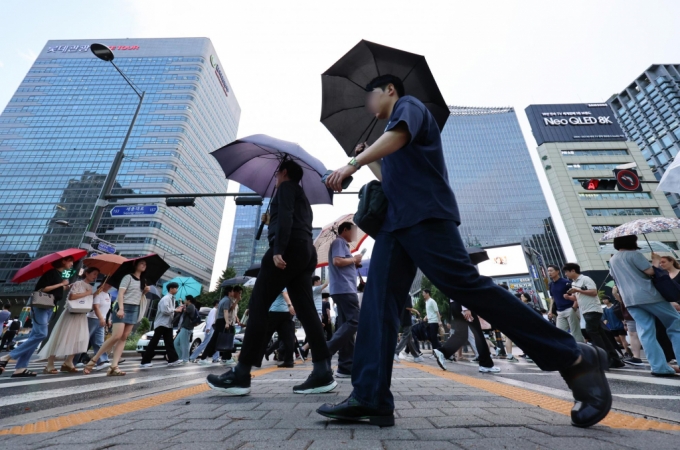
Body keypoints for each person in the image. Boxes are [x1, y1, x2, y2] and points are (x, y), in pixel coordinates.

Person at [320, 74, 610, 428]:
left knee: (464, 286)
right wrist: (364, 157)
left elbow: (397, 138)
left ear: (390, 90)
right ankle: (369, 396)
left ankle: (574, 356)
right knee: (377, 306)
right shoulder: (390, 137)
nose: (368, 105)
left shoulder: (409, 107)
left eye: (370, 96)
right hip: (395, 226)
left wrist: (354, 162)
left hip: (426, 215)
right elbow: (390, 174)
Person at [206, 160, 334, 395]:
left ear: (283, 172)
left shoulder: (285, 189)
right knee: (305, 309)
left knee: (258, 305)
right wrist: (270, 222)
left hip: (287, 251)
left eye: (277, 173)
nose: (275, 178)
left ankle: (241, 374)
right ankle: (323, 371)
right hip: (306, 252)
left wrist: (277, 249)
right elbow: (288, 218)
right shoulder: (302, 196)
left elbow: (285, 217)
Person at [610, 236, 680, 376]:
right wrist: (655, 261)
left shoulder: (613, 260)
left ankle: (659, 367)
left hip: (629, 299)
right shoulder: (634, 254)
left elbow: (614, 277)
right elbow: (650, 272)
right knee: (675, 323)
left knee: (646, 332)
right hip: (648, 295)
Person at [1, 256, 73, 377]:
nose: (71, 264)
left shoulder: (59, 275)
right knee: (41, 334)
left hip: (49, 307)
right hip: (41, 307)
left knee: (35, 337)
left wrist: (65, 286)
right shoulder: (50, 273)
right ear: (63, 261)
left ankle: (21, 368)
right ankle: (7, 356)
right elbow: (42, 289)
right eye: (70, 261)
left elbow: (56, 291)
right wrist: (61, 284)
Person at [85, 259, 150, 376]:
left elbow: (137, 296)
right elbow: (121, 294)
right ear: (135, 265)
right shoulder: (128, 277)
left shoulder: (143, 281)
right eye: (142, 263)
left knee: (123, 337)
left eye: (145, 264)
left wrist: (144, 292)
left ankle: (114, 366)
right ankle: (94, 360)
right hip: (123, 307)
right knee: (116, 336)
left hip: (134, 309)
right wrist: (121, 308)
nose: (144, 265)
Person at [562, 263, 624, 369]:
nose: (566, 274)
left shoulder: (585, 279)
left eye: (566, 272)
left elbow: (594, 292)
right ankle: (614, 359)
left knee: (593, 332)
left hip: (593, 310)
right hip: (586, 311)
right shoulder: (574, 283)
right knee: (601, 334)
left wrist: (577, 290)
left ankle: (605, 358)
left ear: (573, 271)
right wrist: (569, 297)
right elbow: (578, 298)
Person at [39, 267, 100, 374]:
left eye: (97, 275)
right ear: (87, 273)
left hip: (81, 314)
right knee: (61, 337)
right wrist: (87, 293)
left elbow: (86, 300)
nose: (95, 276)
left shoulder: (90, 287)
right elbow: (71, 297)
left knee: (79, 339)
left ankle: (69, 362)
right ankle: (50, 364)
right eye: (94, 274)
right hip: (71, 314)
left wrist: (94, 294)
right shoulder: (78, 283)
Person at [326, 221, 362, 378]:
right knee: (354, 322)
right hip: (345, 290)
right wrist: (353, 260)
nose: (354, 234)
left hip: (342, 289)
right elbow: (338, 261)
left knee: (346, 326)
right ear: (345, 230)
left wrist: (355, 264)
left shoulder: (342, 245)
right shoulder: (339, 242)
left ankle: (345, 366)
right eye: (353, 230)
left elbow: (343, 263)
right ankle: (327, 349)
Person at [436, 299, 499, 373]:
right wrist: (466, 308)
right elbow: (463, 288)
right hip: (463, 305)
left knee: (461, 334)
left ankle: (442, 352)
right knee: (478, 333)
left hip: (455, 304)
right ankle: (486, 364)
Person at [138, 282, 183, 369]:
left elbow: (170, 311)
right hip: (162, 323)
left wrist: (177, 309)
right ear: (171, 289)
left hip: (168, 324)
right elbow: (165, 311)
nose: (177, 290)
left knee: (169, 342)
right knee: (154, 342)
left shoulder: (172, 299)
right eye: (176, 288)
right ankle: (145, 361)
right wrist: (176, 310)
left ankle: (173, 360)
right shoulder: (166, 298)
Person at [548, 265, 584, 343]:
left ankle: (582, 350)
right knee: (560, 333)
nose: (549, 273)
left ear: (557, 271)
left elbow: (576, 294)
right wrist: (550, 311)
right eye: (548, 271)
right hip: (559, 312)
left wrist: (574, 307)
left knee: (575, 332)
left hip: (570, 309)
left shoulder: (566, 282)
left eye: (551, 270)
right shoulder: (551, 284)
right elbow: (552, 298)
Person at [198, 286, 234, 365]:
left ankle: (225, 357)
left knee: (217, 340)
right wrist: (227, 322)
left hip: (219, 321)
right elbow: (225, 311)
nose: (233, 293)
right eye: (232, 291)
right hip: (222, 321)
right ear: (229, 292)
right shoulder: (227, 300)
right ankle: (204, 358)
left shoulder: (223, 300)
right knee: (216, 340)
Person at [263, 289, 297, 368]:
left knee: (266, 335)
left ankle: (256, 359)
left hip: (276, 312)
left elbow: (285, 293)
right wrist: (290, 305)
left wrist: (289, 305)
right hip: (286, 312)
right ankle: (289, 361)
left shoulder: (279, 280)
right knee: (288, 338)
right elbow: (286, 293)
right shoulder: (288, 282)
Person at [85, 282, 113, 371]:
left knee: (99, 342)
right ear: (102, 284)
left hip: (102, 320)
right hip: (92, 319)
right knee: (84, 341)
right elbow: (96, 307)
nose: (110, 285)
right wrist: (101, 318)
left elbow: (106, 310)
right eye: (108, 283)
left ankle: (102, 361)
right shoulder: (98, 293)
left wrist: (107, 319)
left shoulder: (108, 295)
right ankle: (73, 361)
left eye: (110, 284)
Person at [615, 287, 643, 366]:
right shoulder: (621, 288)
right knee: (633, 334)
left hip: (640, 308)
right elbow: (621, 300)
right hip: (629, 313)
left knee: (646, 333)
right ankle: (636, 357)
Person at [394, 295, 423, 363]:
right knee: (406, 336)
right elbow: (408, 307)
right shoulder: (408, 296)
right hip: (406, 319)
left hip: (402, 318)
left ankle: (416, 356)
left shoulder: (401, 295)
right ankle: (396, 352)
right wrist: (416, 311)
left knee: (409, 338)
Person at [174, 295, 197, 363]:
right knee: (176, 343)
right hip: (184, 327)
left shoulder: (191, 306)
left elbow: (184, 311)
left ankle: (185, 359)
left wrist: (182, 306)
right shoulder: (188, 306)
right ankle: (181, 357)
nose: (184, 300)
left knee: (185, 344)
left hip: (187, 328)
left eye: (185, 299)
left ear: (188, 300)